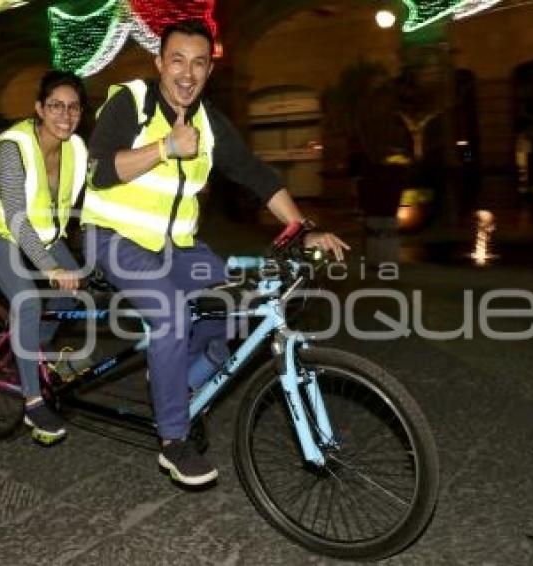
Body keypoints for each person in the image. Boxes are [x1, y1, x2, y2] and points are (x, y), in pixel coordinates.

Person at [81, 19, 349, 486]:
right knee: (173, 319)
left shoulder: (208, 123)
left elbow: (255, 174)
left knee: (235, 313)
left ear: (209, 71)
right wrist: (165, 146)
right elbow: (101, 170)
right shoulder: (132, 102)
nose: (187, 73)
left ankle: (175, 380)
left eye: (199, 64)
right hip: (114, 237)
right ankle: (173, 438)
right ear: (160, 63)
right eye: (178, 61)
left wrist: (302, 230)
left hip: (177, 247)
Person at [0, 70, 88, 445]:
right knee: (29, 303)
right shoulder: (11, 148)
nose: (65, 115)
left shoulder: (77, 149)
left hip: (43, 234)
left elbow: (93, 200)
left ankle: (34, 350)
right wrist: (50, 268)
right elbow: (17, 219)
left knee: (76, 291)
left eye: (73, 107)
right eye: (55, 106)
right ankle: (33, 402)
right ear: (39, 108)